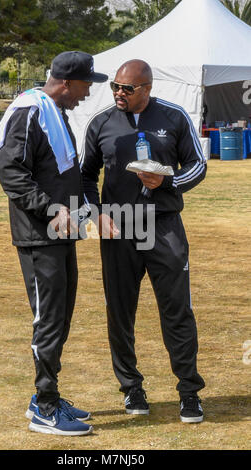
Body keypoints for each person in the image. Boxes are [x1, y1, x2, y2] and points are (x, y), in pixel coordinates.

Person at [81, 59, 206, 423]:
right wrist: (95, 214)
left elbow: (197, 166)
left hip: (164, 226)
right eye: (115, 87)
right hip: (119, 229)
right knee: (120, 312)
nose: (119, 93)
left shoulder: (174, 117)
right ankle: (131, 388)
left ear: (146, 88)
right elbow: (86, 176)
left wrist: (166, 183)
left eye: (127, 88)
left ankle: (189, 392)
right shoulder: (101, 123)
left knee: (177, 309)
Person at [0, 51, 108, 435]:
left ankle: (48, 394)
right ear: (66, 83)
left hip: (61, 235)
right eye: (86, 85)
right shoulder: (30, 111)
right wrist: (50, 209)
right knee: (48, 320)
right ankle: (44, 407)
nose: (87, 93)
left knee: (60, 317)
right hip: (40, 236)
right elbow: (11, 170)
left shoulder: (54, 113)